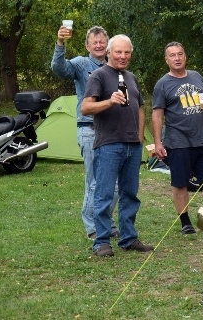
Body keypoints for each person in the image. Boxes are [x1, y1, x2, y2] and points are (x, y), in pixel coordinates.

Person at [81, 34, 154, 256]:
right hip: (109, 143)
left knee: (130, 194)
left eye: (127, 52)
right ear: (109, 53)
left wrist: (139, 136)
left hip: (133, 145)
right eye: (118, 52)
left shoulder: (131, 77)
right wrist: (109, 101)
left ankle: (129, 238)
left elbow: (140, 108)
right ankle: (101, 242)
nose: (123, 56)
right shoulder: (99, 75)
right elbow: (85, 108)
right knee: (104, 194)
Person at [50, 24, 119, 240]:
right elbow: (59, 68)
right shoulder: (81, 64)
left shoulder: (114, 66)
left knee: (114, 184)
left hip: (113, 131)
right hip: (89, 130)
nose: (98, 45)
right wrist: (60, 43)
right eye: (94, 42)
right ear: (87, 46)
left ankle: (105, 221)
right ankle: (93, 227)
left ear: (108, 45)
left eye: (102, 41)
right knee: (95, 182)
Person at [151, 42, 203, 243]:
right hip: (178, 141)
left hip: (202, 140)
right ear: (167, 60)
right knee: (180, 183)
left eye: (180, 54)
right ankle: (185, 222)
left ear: (185, 56)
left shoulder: (196, 76)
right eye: (172, 55)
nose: (177, 58)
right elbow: (157, 115)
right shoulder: (162, 84)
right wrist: (158, 142)